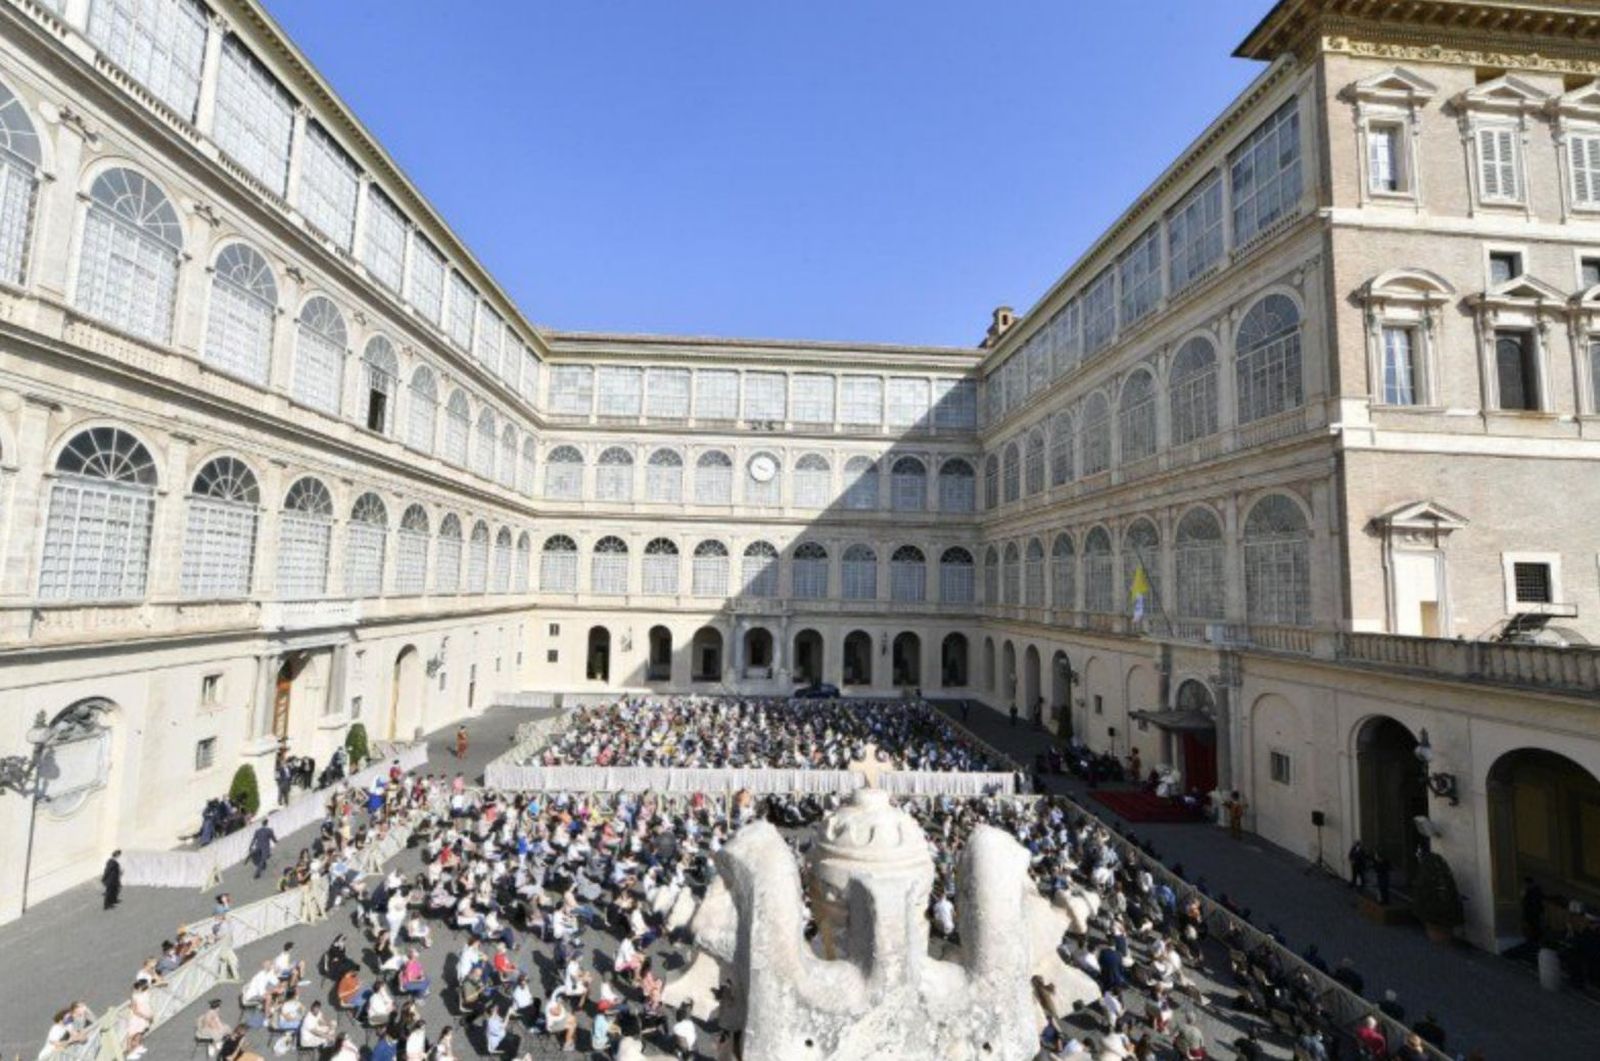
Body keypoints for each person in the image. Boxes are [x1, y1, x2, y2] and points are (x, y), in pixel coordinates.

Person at [1522, 875, 1547, 944]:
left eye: (1525, 884)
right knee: (1535, 927)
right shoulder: (1533, 890)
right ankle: (1536, 939)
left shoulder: (1533, 891)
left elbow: (1531, 903)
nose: (1524, 885)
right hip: (1533, 913)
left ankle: (1536, 940)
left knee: (1535, 927)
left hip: (1533, 913)